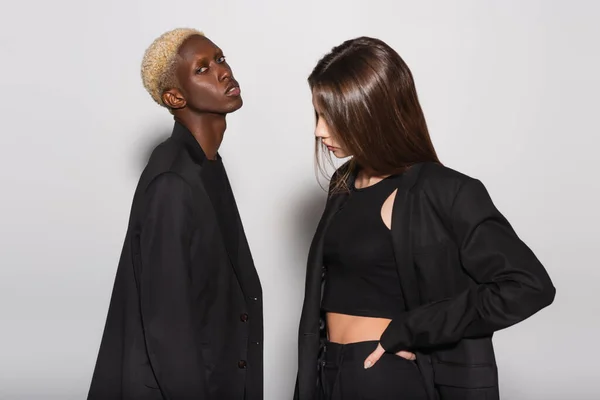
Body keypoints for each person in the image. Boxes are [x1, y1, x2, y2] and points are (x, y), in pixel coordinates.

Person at [295, 36, 555, 400]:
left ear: (373, 114)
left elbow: (529, 286)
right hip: (328, 371)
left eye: (333, 117)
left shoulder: (446, 190)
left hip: (384, 374)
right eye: (318, 114)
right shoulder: (343, 183)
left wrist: (413, 328)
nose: (319, 131)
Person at [88, 28, 263, 400]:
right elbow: (168, 331)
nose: (222, 71)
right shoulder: (172, 181)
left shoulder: (205, 165)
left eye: (220, 58)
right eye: (202, 69)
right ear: (174, 96)